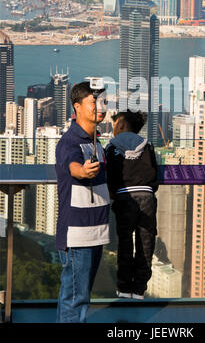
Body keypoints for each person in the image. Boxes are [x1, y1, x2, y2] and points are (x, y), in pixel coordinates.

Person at [55, 81, 110, 323]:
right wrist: (83, 171)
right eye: (94, 102)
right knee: (75, 300)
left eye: (104, 102)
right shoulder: (71, 140)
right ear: (77, 107)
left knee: (80, 297)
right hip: (78, 235)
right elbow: (73, 166)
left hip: (95, 231)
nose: (101, 107)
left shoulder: (96, 142)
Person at [105, 110, 159, 299]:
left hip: (124, 198)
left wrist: (114, 193)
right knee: (146, 243)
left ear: (120, 125)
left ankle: (124, 288)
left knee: (125, 244)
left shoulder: (111, 148)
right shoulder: (148, 146)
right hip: (147, 198)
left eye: (113, 125)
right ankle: (139, 288)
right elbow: (155, 174)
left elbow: (109, 175)